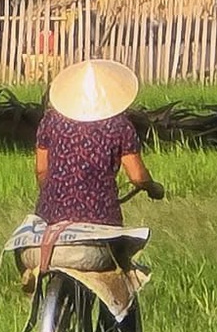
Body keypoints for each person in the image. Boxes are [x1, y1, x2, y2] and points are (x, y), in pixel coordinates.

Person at [34, 57, 163, 223]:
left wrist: (55, 197)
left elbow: (41, 171)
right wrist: (153, 188)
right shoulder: (120, 125)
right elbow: (137, 176)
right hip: (102, 214)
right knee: (121, 248)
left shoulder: (51, 121)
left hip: (50, 214)